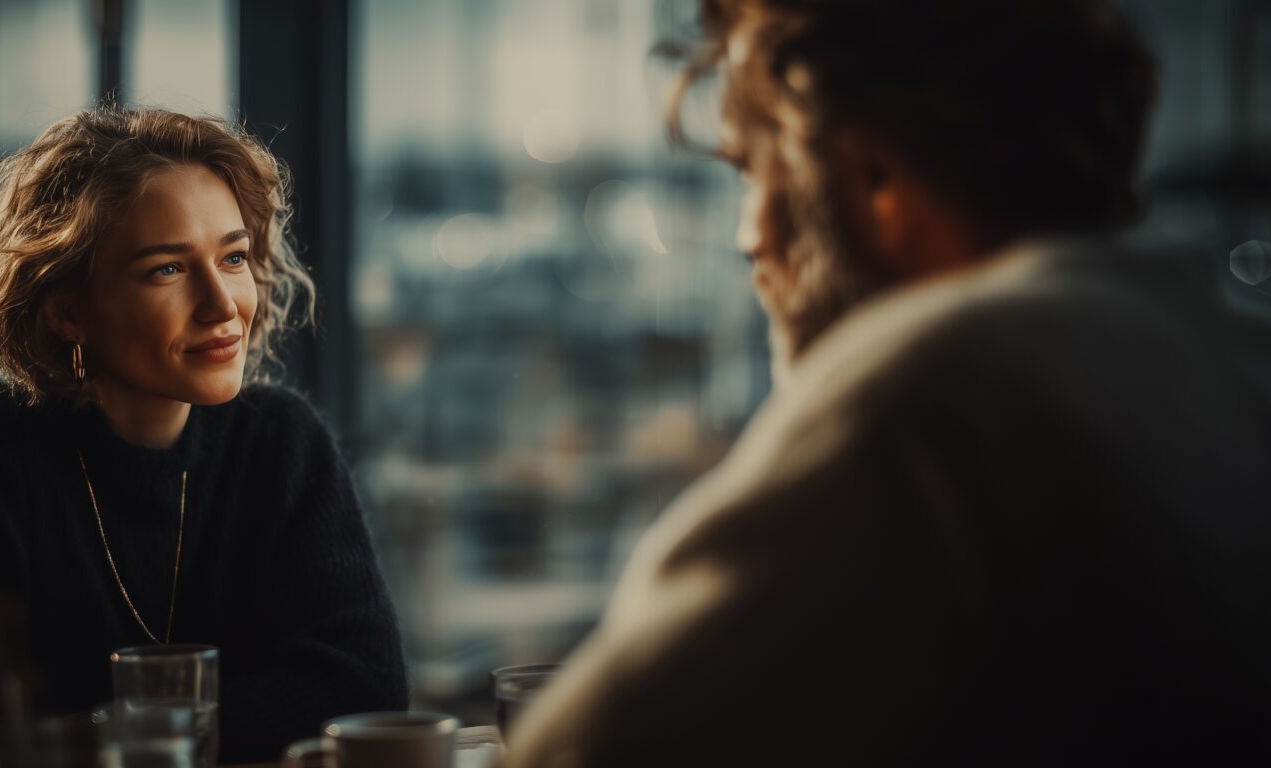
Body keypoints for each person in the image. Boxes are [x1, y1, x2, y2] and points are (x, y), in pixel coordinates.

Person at [504, 2, 1271, 766]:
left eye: (750, 170)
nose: (749, 239)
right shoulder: (1225, 352)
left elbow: (578, 751)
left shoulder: (934, 396)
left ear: (876, 184)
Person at [0, 107, 408, 767]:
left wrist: (104, 730)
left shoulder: (282, 444)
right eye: (167, 270)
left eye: (232, 256)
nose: (223, 302)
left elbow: (364, 692)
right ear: (68, 312)